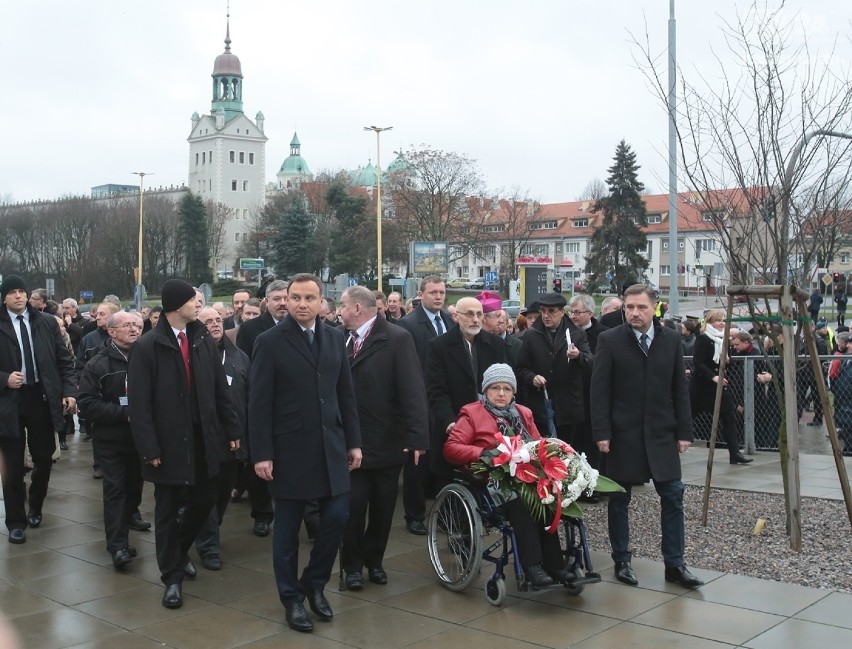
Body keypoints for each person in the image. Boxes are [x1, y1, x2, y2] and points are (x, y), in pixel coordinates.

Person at [249, 273, 361, 633]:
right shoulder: (269, 342)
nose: (300, 304)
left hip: (332, 446)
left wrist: (354, 442)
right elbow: (259, 402)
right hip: (290, 449)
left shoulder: (334, 337)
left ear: (320, 302)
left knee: (337, 518)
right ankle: (292, 598)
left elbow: (346, 394)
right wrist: (262, 453)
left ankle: (314, 584)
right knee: (286, 533)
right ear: (281, 301)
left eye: (308, 298)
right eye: (294, 297)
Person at [128, 279, 241, 609]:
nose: (199, 304)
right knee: (166, 509)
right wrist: (149, 448)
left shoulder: (202, 338)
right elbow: (140, 403)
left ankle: (177, 553)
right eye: (194, 299)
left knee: (205, 499)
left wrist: (231, 428)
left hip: (205, 437)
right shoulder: (149, 346)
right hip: (168, 442)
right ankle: (172, 577)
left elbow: (220, 388)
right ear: (177, 305)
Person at [591, 284, 703, 589]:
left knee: (673, 496)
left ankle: (675, 564)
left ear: (655, 307)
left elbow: (679, 387)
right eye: (629, 307)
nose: (634, 313)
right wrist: (602, 432)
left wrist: (684, 431)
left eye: (640, 307)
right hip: (622, 435)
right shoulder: (610, 340)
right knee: (618, 499)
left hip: (661, 433)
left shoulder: (670, 340)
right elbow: (599, 390)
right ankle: (622, 560)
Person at [443, 364, 571, 586]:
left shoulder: (524, 413)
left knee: (548, 497)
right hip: (491, 479)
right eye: (495, 388)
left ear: (513, 392)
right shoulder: (472, 412)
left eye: (506, 388)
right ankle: (532, 566)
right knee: (521, 500)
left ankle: (555, 565)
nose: (501, 393)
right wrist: (484, 453)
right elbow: (451, 448)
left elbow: (538, 444)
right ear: (485, 390)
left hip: (526, 475)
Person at [338, 286, 428, 590]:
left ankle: (374, 561)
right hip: (351, 442)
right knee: (352, 507)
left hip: (387, 440)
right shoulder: (339, 339)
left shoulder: (397, 338)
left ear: (358, 310)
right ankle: (350, 566)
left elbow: (413, 390)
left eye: (343, 305)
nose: (339, 311)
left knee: (382, 508)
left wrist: (418, 437)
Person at [0, 275, 77, 544]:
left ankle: (35, 506)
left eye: (22, 291)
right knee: (12, 465)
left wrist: (68, 391)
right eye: (12, 292)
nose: (19, 296)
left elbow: (64, 361)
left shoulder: (45, 323)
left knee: (44, 458)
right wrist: (4, 378)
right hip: (8, 401)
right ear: (4, 297)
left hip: (40, 398)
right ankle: (15, 521)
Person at [77, 311, 146, 568]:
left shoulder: (147, 358)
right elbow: (87, 403)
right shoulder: (97, 364)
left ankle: (129, 520)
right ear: (112, 331)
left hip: (141, 439)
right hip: (110, 439)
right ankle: (117, 546)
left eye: (138, 325)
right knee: (115, 490)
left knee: (134, 487)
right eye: (127, 325)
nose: (134, 329)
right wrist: (124, 414)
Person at [192, 307, 253, 570]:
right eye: (208, 321)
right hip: (206, 438)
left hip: (235, 438)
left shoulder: (239, 357)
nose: (215, 325)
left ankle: (207, 527)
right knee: (206, 491)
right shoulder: (193, 357)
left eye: (218, 320)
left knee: (223, 492)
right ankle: (209, 547)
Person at [427, 296, 507, 489]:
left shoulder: (495, 344)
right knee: (451, 480)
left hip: (490, 423)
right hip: (456, 422)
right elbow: (436, 389)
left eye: (479, 314)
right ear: (457, 316)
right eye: (469, 314)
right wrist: (448, 421)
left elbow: (504, 382)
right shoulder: (439, 346)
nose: (475, 319)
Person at [396, 276, 453, 535]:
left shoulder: (450, 322)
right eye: (433, 292)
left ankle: (445, 512)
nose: (438, 297)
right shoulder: (408, 325)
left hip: (445, 401)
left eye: (442, 292)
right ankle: (415, 515)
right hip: (419, 401)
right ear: (421, 295)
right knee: (417, 461)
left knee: (446, 457)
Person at [516, 292, 592, 443]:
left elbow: (591, 361)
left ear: (562, 312)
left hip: (569, 407)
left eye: (551, 311)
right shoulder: (531, 336)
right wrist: (532, 378)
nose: (545, 315)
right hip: (541, 405)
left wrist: (578, 356)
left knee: (569, 451)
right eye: (543, 311)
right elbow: (521, 368)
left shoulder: (577, 334)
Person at [689, 309, 753, 464]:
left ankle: (735, 453)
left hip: (718, 386)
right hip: (701, 387)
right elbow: (697, 362)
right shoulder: (703, 339)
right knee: (687, 416)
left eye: (723, 320)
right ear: (710, 322)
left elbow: (719, 363)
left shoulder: (722, 340)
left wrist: (726, 361)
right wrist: (713, 376)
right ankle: (670, 445)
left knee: (729, 418)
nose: (722, 323)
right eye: (718, 320)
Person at [236, 280, 288, 358]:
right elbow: (243, 364)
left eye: (286, 299)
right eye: (277, 299)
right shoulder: (248, 329)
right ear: (267, 302)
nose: (283, 303)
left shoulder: (300, 325)